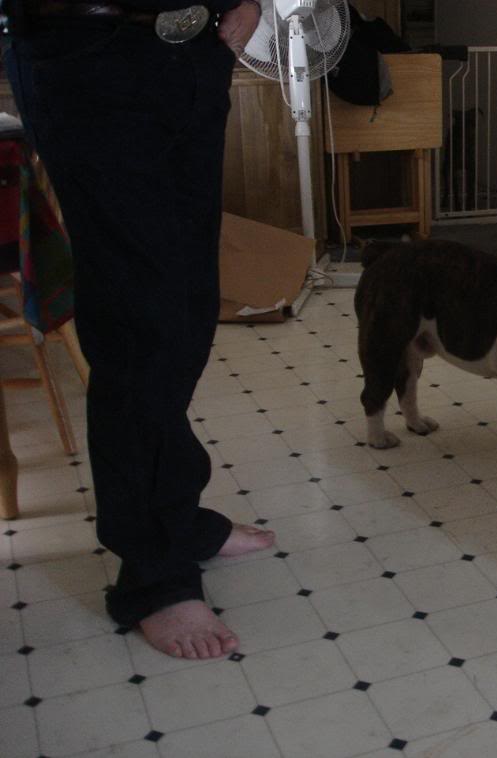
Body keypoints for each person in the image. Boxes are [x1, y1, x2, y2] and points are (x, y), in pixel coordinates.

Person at [3, 0, 277, 659]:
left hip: (195, 47)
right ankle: (153, 572)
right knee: (138, 317)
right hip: (86, 45)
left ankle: (176, 518)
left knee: (187, 310)